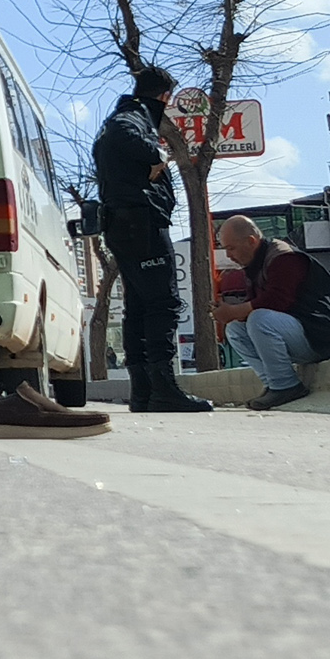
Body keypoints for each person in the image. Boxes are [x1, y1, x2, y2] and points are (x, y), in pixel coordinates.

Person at [91, 66, 211, 412]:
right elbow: (123, 137)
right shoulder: (130, 118)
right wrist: (157, 156)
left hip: (125, 223)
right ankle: (163, 388)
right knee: (163, 304)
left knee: (140, 308)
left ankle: (143, 391)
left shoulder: (122, 116)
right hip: (140, 221)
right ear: (164, 97)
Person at [215, 215, 330, 412]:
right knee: (235, 329)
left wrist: (234, 310)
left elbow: (277, 301)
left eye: (231, 248)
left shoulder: (284, 258)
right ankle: (272, 384)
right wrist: (228, 314)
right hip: (305, 335)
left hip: (326, 335)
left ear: (251, 241)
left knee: (259, 319)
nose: (228, 256)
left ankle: (285, 386)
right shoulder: (256, 265)